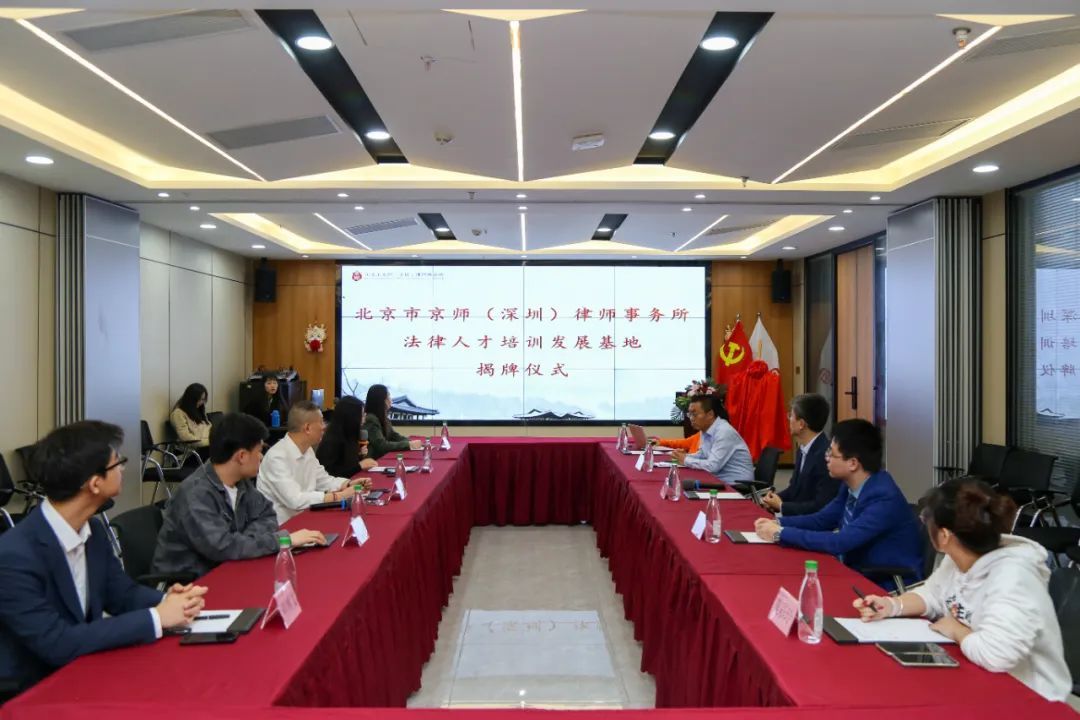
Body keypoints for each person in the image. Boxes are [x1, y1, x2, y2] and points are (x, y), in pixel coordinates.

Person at [0, 421, 207, 692]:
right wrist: (157, 618)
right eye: (117, 462)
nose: (123, 469)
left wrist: (169, 600)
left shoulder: (94, 532)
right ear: (95, 483)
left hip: (87, 669)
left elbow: (121, 595)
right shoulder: (13, 556)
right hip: (32, 690)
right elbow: (57, 643)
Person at [854, 477, 1070, 702]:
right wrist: (891, 605)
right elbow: (933, 595)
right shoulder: (960, 554)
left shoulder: (1014, 577)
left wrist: (956, 629)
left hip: (1031, 697)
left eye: (926, 519)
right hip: (980, 676)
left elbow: (997, 655)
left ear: (944, 535)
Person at [754, 419, 923, 591]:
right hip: (854, 570)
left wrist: (781, 534)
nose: (826, 458)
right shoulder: (851, 485)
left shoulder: (883, 498)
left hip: (883, 585)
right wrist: (778, 523)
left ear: (853, 463)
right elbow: (822, 520)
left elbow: (840, 542)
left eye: (832, 454)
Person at [151, 413, 326, 578]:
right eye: (258, 451)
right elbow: (223, 547)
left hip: (231, 568)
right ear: (241, 456)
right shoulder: (196, 494)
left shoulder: (239, 482)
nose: (261, 457)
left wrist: (244, 541)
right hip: (190, 583)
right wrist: (282, 540)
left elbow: (267, 515)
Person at [259, 401, 373, 524]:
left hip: (306, 517)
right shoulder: (276, 457)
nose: (324, 427)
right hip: (282, 527)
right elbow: (295, 500)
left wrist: (347, 484)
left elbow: (323, 480)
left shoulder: (307, 450)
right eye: (321, 422)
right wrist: (339, 496)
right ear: (307, 428)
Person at [761, 393, 837, 516]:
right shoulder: (803, 449)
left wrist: (782, 506)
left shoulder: (825, 456)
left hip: (810, 522)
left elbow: (820, 506)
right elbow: (794, 489)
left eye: (791, 416)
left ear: (801, 424)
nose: (789, 419)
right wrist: (772, 499)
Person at [670, 394, 754, 485]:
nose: (691, 418)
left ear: (710, 414)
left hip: (737, 486)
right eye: (689, 414)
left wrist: (685, 460)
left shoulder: (724, 432)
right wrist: (684, 456)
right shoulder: (706, 429)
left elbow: (712, 466)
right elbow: (702, 455)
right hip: (719, 481)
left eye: (694, 414)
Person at [316, 396, 378, 478]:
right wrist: (360, 465)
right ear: (352, 417)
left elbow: (348, 464)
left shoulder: (349, 434)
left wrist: (359, 456)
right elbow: (330, 474)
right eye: (362, 415)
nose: (364, 419)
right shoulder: (331, 441)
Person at [363, 384, 421, 461]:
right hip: (373, 461)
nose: (391, 399)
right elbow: (381, 445)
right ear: (381, 400)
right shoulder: (370, 419)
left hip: (382, 457)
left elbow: (393, 435)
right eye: (388, 396)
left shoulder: (382, 417)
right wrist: (408, 444)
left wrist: (411, 442)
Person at [170, 382, 211, 450]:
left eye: (203, 399)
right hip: (191, 451)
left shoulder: (198, 410)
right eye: (200, 399)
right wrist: (210, 442)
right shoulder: (178, 413)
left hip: (205, 446)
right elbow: (185, 437)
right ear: (191, 399)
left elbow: (208, 428)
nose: (202, 402)